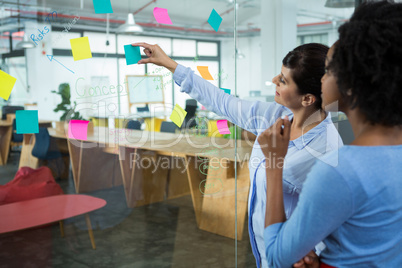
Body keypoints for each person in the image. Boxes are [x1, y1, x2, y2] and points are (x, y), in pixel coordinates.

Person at [132, 42, 342, 268]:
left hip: (292, 258)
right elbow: (223, 102)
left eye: (283, 80)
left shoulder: (327, 150)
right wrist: (170, 65)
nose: (274, 81)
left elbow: (334, 221)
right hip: (263, 251)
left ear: (308, 99)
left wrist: (315, 259)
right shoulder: (277, 115)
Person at [260, 1, 402, 267]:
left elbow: (278, 256)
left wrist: (273, 163)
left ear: (351, 80)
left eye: (328, 70)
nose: (322, 79)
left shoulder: (339, 169)